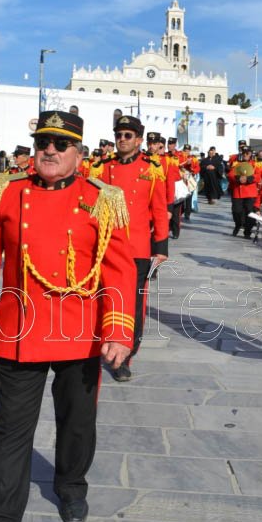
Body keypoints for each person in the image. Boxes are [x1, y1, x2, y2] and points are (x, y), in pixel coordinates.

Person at [0, 109, 136, 522]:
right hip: (21, 330)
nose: (49, 151)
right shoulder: (8, 193)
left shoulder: (102, 198)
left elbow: (119, 271)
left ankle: (72, 486)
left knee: (77, 422)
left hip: (80, 331)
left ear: (79, 153)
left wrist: (118, 331)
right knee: (10, 428)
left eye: (60, 145)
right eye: (42, 143)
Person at [91, 114, 168, 381]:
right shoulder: (102, 168)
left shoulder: (152, 169)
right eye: (118, 135)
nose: (122, 140)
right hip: (104, 246)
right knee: (101, 298)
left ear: (138, 140)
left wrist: (160, 247)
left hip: (137, 249)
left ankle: (126, 355)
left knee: (134, 304)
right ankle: (98, 344)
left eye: (127, 135)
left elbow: (159, 209)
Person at [228, 148, 262, 239]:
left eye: (247, 153)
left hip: (250, 192)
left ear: (251, 154)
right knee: (236, 211)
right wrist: (238, 178)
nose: (245, 155)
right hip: (238, 192)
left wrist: (248, 179)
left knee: (250, 213)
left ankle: (248, 230)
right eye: (244, 153)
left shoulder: (255, 164)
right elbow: (231, 174)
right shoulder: (236, 163)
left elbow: (258, 176)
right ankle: (238, 224)